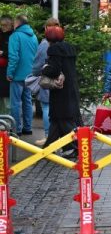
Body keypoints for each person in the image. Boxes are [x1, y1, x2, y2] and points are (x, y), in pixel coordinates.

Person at [41, 27, 81, 157]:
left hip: (61, 91)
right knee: (57, 120)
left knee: (64, 120)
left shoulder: (54, 49)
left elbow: (54, 70)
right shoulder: (69, 48)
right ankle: (48, 148)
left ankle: (79, 148)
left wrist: (45, 68)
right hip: (71, 87)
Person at [30, 17, 62, 146]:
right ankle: (56, 136)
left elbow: (37, 67)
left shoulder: (44, 45)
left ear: (45, 29)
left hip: (48, 82)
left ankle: (49, 136)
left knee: (46, 107)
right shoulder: (61, 43)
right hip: (60, 82)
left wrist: (35, 73)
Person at [7, 14, 38, 136]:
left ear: (18, 23)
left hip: (18, 75)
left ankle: (16, 129)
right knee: (27, 101)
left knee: (15, 103)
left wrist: (10, 73)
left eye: (14, 22)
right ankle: (28, 128)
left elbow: (14, 57)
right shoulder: (34, 36)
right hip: (30, 74)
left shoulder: (15, 36)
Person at [0, 15, 13, 115]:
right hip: (2, 70)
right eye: (2, 25)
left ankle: (7, 121)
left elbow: (13, 54)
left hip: (7, 70)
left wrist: (2, 53)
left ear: (11, 25)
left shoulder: (13, 36)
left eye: (5, 25)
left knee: (7, 98)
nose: (3, 27)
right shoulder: (2, 34)